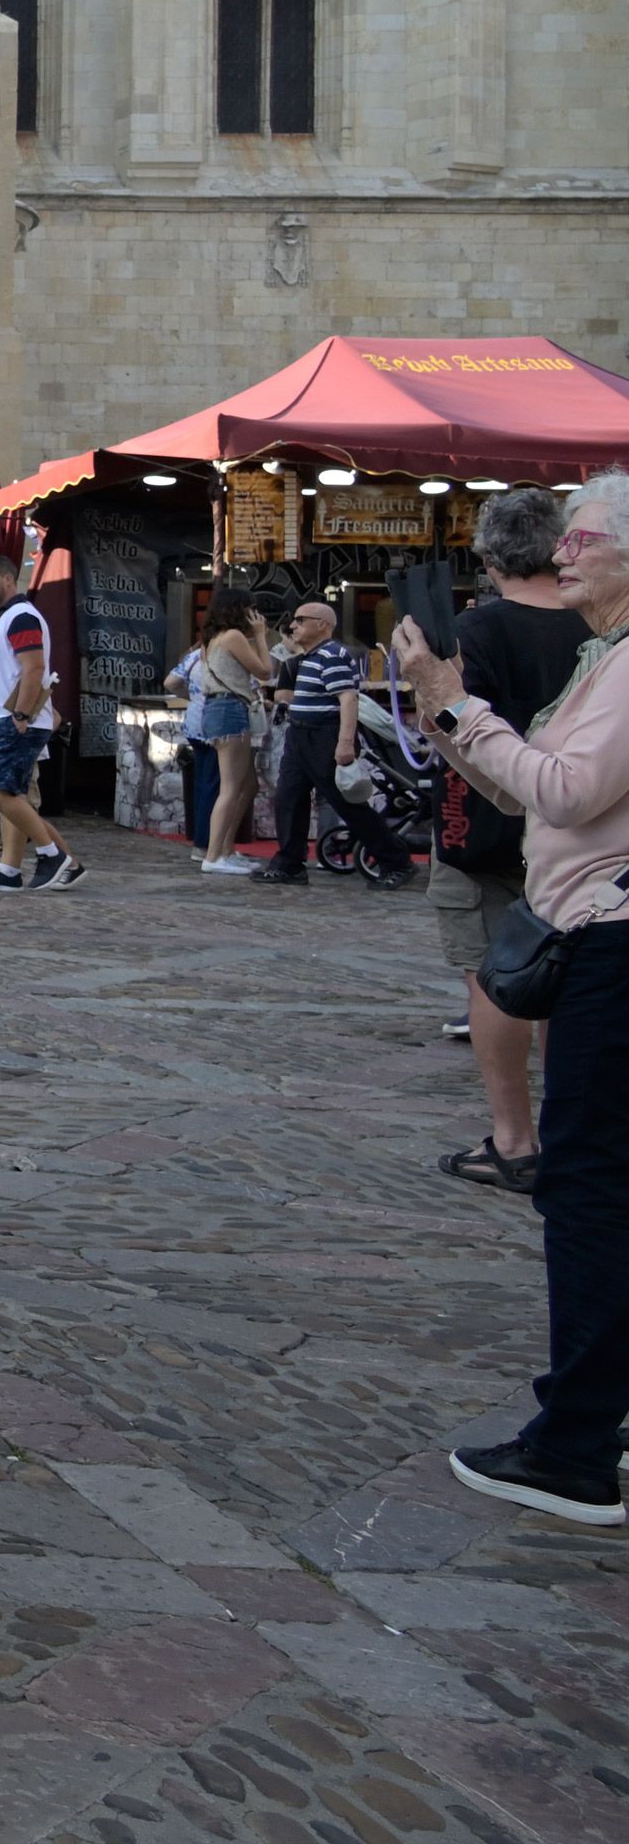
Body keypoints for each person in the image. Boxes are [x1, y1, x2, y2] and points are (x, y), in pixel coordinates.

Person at [392, 467, 629, 1528]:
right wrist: (448, 715)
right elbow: (535, 784)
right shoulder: (600, 655)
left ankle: (576, 1439)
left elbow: (565, 791)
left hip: (610, 942)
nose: (562, 551)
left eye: (584, 537)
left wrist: (453, 704)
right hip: (587, 923)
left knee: (583, 1187)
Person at [433, 489, 595, 1192]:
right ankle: (565, 1131)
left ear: (490, 555)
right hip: (580, 830)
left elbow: (446, 729)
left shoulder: (476, 630)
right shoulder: (600, 626)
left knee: (495, 979)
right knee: (567, 982)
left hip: (487, 821)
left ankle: (514, 1137)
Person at [255, 599, 413, 890]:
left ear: (322, 625)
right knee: (289, 798)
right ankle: (289, 863)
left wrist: (344, 744)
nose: (293, 625)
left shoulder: (333, 655)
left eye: (301, 620)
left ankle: (396, 861)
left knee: (348, 803)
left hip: (324, 735)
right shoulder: (308, 657)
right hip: (300, 736)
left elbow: (348, 699)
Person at [0, 553, 80, 892]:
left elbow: (33, 667)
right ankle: (8, 871)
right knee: (12, 795)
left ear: (8, 579)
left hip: (13, 720)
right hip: (2, 718)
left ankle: (53, 856)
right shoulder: (5, 617)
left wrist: (21, 714)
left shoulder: (21, 616)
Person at [193, 591, 275, 874]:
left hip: (219, 709)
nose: (255, 616)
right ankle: (214, 856)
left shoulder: (212, 639)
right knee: (229, 788)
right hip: (229, 708)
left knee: (247, 784)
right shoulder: (233, 637)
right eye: (250, 610)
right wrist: (261, 636)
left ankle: (226, 849)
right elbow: (265, 670)